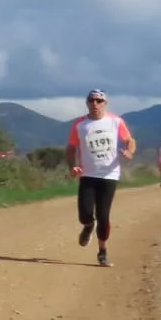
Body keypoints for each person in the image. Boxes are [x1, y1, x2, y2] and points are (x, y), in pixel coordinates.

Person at [65, 90, 135, 266]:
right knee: (85, 214)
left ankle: (102, 252)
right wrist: (72, 166)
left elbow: (129, 140)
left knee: (103, 215)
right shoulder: (80, 125)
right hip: (87, 174)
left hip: (109, 175)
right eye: (91, 100)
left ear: (105, 103)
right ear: (87, 103)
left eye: (99, 100)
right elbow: (71, 148)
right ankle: (88, 226)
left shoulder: (115, 121)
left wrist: (129, 151)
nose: (95, 104)